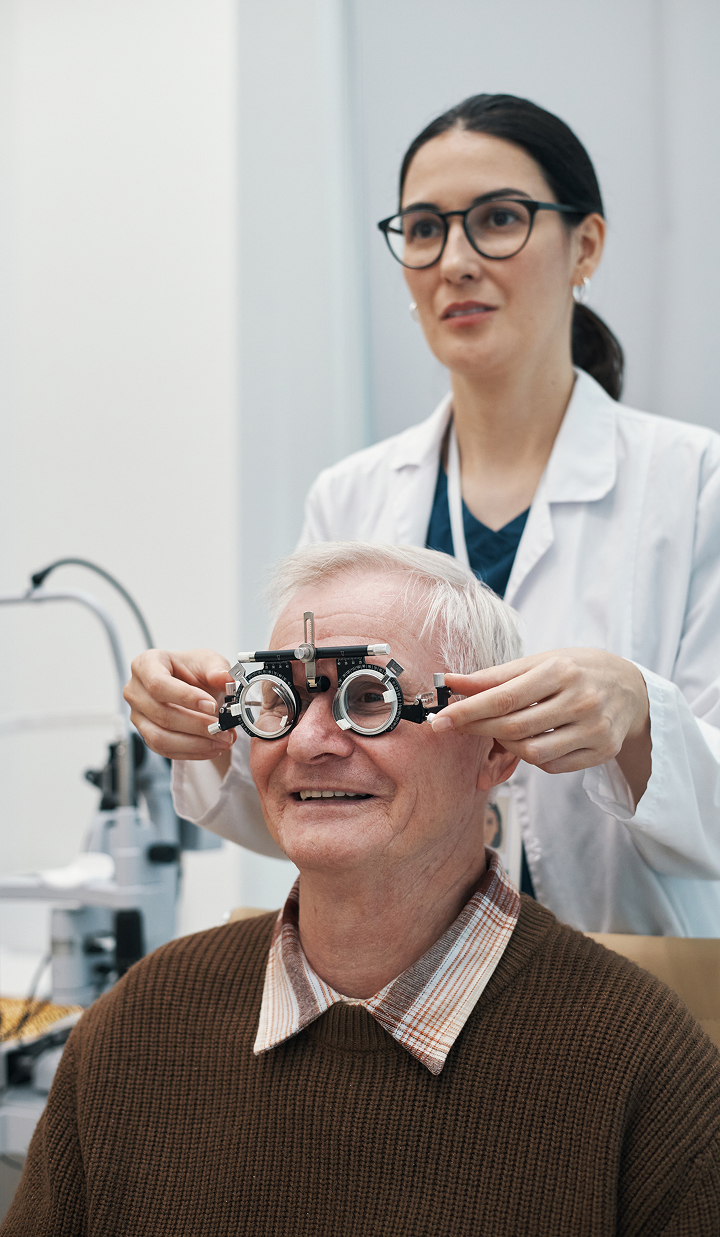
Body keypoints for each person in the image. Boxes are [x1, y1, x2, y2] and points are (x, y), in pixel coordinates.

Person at [125, 94, 720, 936]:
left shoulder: (696, 485)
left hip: (630, 982)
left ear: (584, 245)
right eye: (426, 229)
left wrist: (635, 717)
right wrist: (210, 732)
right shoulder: (353, 495)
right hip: (404, 982)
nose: (457, 261)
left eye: (500, 219)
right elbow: (320, 790)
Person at [8, 544, 720, 1236]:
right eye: (280, 699)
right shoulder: (138, 1026)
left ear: (497, 749)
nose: (310, 741)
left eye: (369, 696)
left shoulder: (641, 1066)